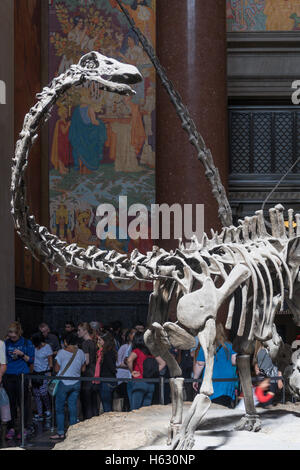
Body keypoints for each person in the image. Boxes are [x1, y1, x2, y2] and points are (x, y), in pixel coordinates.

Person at [50, 332, 86, 440]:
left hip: (63, 383)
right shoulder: (80, 352)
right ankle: (73, 432)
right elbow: (83, 369)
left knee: (60, 408)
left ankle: (61, 432)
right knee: (73, 407)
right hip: (76, 383)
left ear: (65, 342)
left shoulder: (61, 352)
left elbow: (56, 369)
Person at [193, 323, 238, 408]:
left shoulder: (206, 346)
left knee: (213, 408)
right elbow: (234, 361)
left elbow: (200, 364)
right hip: (228, 380)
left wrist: (195, 379)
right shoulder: (229, 345)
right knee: (225, 405)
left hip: (213, 380)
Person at [3, 321, 35, 440]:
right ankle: (11, 428)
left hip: (22, 375)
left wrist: (22, 354)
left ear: (19, 333)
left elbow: (31, 360)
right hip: (8, 375)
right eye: (10, 334)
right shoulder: (5, 344)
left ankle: (25, 427)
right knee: (10, 403)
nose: (12, 336)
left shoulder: (27, 343)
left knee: (23, 403)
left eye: (14, 335)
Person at [127, 331, 165, 410]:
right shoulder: (151, 352)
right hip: (150, 384)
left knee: (135, 410)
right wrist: (153, 372)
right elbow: (163, 363)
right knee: (145, 412)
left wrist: (131, 372)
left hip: (138, 382)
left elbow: (129, 360)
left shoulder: (137, 351)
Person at [31, 332, 53, 422]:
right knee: (36, 394)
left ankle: (48, 410)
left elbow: (50, 360)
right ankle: (40, 413)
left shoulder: (47, 347)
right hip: (35, 372)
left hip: (45, 373)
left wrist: (50, 374)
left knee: (43, 393)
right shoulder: (33, 347)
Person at [77, 322, 98, 420]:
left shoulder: (85, 343)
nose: (78, 333)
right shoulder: (94, 342)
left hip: (88, 373)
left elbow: (87, 361)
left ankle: (88, 423)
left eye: (79, 330)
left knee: (87, 401)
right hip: (95, 373)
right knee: (93, 401)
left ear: (85, 331)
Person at [116, 329, 136, 411]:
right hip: (123, 377)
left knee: (129, 399)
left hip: (130, 376)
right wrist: (130, 365)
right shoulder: (123, 347)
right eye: (132, 334)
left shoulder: (134, 347)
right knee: (126, 398)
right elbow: (118, 363)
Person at [98, 332, 117, 413]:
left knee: (107, 407)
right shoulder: (112, 351)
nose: (99, 342)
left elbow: (111, 366)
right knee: (109, 405)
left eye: (100, 340)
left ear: (105, 341)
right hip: (111, 380)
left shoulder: (107, 353)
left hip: (106, 381)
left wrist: (114, 370)